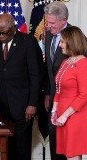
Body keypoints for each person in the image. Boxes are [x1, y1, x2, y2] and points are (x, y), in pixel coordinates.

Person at [0, 13, 43, 160]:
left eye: (4, 32)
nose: (0, 36)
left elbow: (36, 76)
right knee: (7, 147)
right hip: (5, 107)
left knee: (22, 149)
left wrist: (32, 104)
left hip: (24, 107)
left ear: (13, 28)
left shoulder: (28, 42)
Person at [51, 26, 87, 160]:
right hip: (62, 113)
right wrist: (54, 111)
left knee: (73, 154)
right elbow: (58, 88)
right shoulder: (65, 62)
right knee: (66, 154)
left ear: (72, 42)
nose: (59, 45)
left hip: (76, 115)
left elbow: (84, 94)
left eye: (62, 42)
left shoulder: (83, 64)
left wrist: (65, 115)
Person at [43, 1, 69, 159]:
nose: (48, 26)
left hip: (69, 101)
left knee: (67, 145)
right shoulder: (48, 34)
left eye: (52, 23)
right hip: (53, 99)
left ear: (63, 20)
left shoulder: (76, 37)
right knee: (54, 141)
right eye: (47, 22)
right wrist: (47, 93)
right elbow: (48, 69)